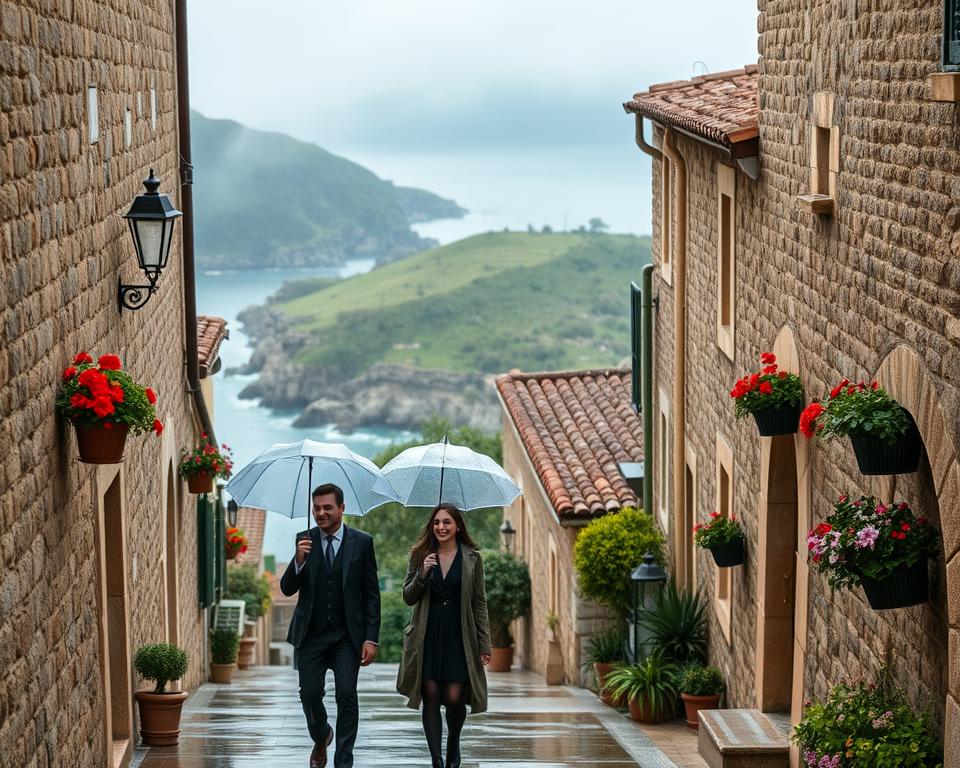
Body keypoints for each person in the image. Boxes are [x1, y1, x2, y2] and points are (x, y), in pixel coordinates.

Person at [280, 483, 381, 768]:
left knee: (347, 694)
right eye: (316, 508)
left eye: (327, 508)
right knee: (310, 695)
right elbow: (287, 588)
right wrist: (298, 560)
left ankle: (343, 761)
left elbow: (371, 595)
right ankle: (322, 734)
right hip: (311, 634)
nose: (321, 513)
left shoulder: (362, 542)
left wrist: (371, 638)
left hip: (347, 636)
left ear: (341, 508)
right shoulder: (305, 540)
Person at [396, 504, 492, 768]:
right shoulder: (419, 554)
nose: (441, 527)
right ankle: (437, 759)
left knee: (453, 697)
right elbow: (408, 597)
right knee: (431, 694)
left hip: (459, 634)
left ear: (457, 526)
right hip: (428, 634)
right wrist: (422, 573)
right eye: (437, 522)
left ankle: (453, 743)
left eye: (447, 522)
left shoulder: (472, 558)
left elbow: (479, 602)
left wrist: (484, 643)